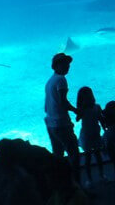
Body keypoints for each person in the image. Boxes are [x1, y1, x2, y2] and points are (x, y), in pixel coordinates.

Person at [44, 53, 80, 182]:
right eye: (65, 64)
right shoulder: (61, 80)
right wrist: (77, 111)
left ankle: (61, 185)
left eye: (68, 64)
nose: (68, 67)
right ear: (57, 65)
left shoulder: (50, 80)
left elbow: (46, 106)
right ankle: (77, 186)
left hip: (50, 123)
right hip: (61, 124)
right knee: (74, 155)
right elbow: (62, 102)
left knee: (58, 156)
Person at [75, 87, 105, 187]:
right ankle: (90, 178)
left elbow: (101, 119)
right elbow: (77, 118)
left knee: (97, 155)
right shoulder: (91, 108)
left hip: (94, 134)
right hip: (88, 136)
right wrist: (81, 109)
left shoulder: (97, 107)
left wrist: (105, 130)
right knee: (90, 157)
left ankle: (100, 175)